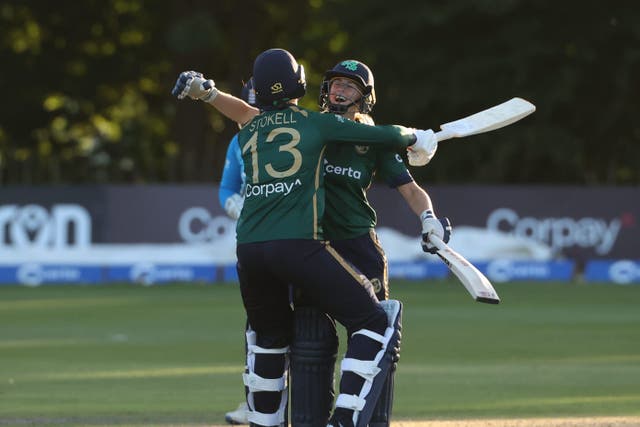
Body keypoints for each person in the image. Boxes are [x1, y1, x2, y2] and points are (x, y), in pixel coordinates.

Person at [172, 48, 446, 427]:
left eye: (349, 87)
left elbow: (410, 187)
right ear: (311, 86)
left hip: (334, 244)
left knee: (299, 337)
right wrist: (415, 136)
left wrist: (429, 218)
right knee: (320, 340)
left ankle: (357, 420)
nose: (339, 93)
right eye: (335, 84)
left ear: (364, 95)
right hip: (310, 245)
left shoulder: (279, 127)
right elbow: (389, 133)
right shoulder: (315, 124)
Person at [218, 79, 255, 425]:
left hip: (301, 240)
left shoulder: (300, 130)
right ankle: (255, 401)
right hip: (254, 241)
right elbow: (228, 188)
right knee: (258, 325)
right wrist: (238, 207)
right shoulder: (236, 142)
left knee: (309, 328)